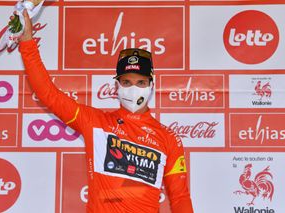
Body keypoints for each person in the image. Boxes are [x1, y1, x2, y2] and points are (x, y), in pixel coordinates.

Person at [17, 9, 194, 213]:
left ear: (151, 85)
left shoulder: (169, 138)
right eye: (126, 82)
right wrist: (27, 43)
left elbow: (180, 197)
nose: (133, 88)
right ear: (117, 86)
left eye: (140, 82)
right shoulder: (95, 122)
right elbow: (49, 94)